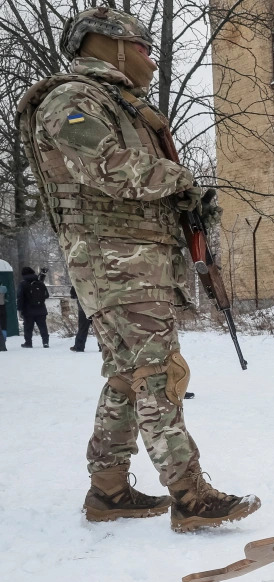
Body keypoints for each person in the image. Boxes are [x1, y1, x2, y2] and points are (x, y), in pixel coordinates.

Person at [17, 6, 258, 529]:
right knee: (158, 373)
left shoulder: (121, 104)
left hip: (134, 259)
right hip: (113, 263)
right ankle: (190, 496)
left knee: (128, 378)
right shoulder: (71, 100)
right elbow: (105, 166)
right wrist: (178, 179)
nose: (151, 59)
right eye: (144, 48)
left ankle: (107, 490)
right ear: (109, 45)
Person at [17, 266, 49, 348]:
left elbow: (20, 297)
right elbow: (46, 295)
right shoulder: (40, 283)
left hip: (28, 310)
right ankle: (45, 342)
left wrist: (19, 309)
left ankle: (28, 343)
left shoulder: (23, 284)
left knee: (28, 327)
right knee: (43, 326)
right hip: (41, 309)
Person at [70, 284, 92, 352]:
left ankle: (79, 347)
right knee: (99, 328)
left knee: (82, 328)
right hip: (97, 307)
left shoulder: (78, 278)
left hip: (83, 307)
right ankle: (103, 346)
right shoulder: (96, 277)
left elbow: (72, 294)